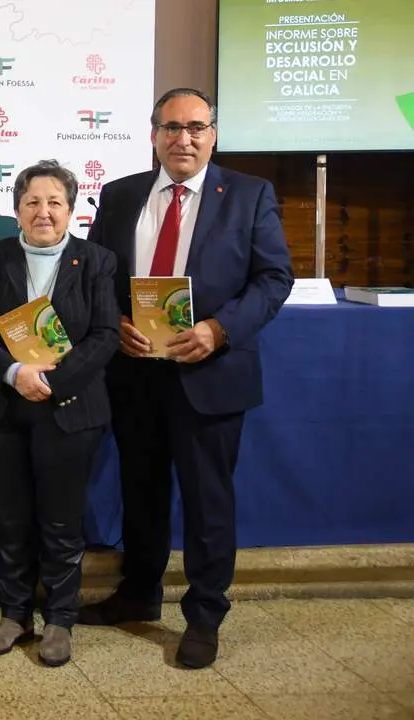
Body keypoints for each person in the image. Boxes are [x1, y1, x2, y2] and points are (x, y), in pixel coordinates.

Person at [79, 88, 293, 669]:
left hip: (210, 372)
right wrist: (113, 322)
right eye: (171, 127)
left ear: (213, 135)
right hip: (136, 372)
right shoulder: (121, 194)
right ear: (154, 135)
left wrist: (220, 330)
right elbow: (96, 275)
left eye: (196, 127)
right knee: (140, 490)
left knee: (207, 500)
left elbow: (274, 278)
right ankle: (138, 593)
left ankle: (204, 614)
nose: (184, 139)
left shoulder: (249, 195)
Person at [0, 160, 119, 667]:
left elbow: (106, 335)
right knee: (10, 519)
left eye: (54, 202)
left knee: (61, 520)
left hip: (68, 409)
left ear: (71, 210)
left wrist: (51, 381)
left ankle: (60, 620)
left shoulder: (96, 261)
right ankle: (14, 615)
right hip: (1, 408)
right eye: (32, 202)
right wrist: (14, 374)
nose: (43, 212)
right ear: (16, 210)